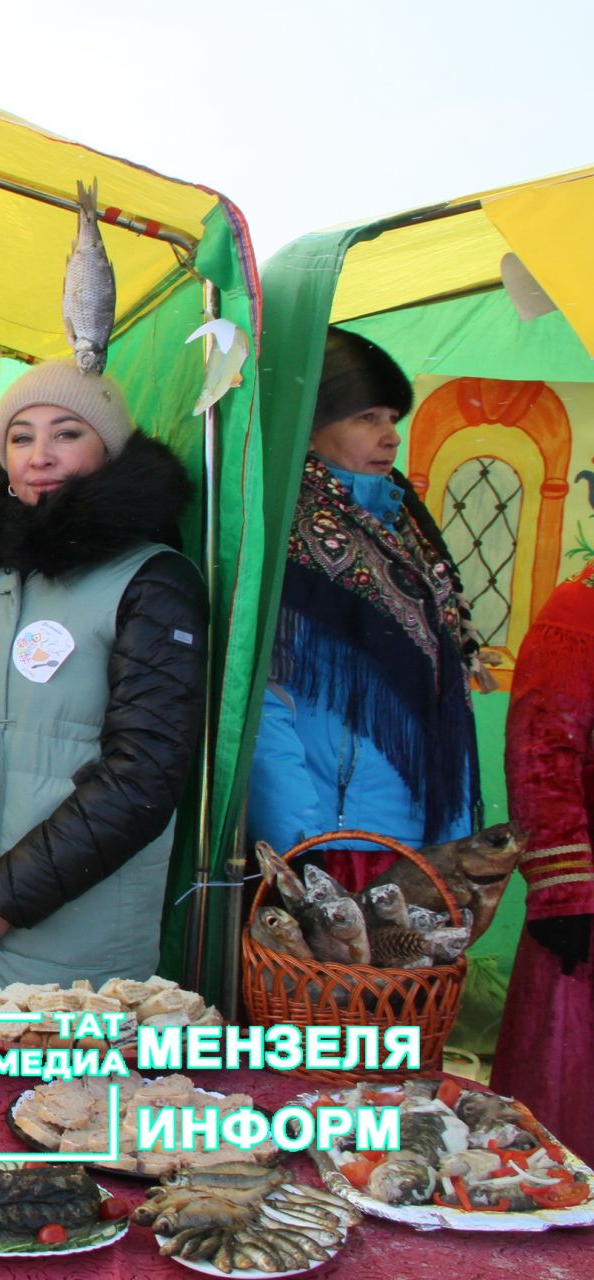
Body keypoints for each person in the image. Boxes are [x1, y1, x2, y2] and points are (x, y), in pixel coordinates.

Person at [0, 361, 206, 1013]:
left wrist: (0, 901)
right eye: (21, 438)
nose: (40, 457)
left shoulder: (152, 581)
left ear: (108, 448)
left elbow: (144, 776)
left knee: (57, 1115)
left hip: (75, 961)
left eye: (67, 434)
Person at [247, 328, 489, 887]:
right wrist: (295, 847)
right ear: (310, 428)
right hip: (336, 843)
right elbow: (266, 705)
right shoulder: (290, 541)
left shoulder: (404, 529)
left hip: (418, 835)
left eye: (392, 418)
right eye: (367, 418)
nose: (391, 437)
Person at [492, 563, 594, 1157]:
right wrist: (564, 887)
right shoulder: (577, 614)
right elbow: (541, 749)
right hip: (586, 909)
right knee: (564, 1115)